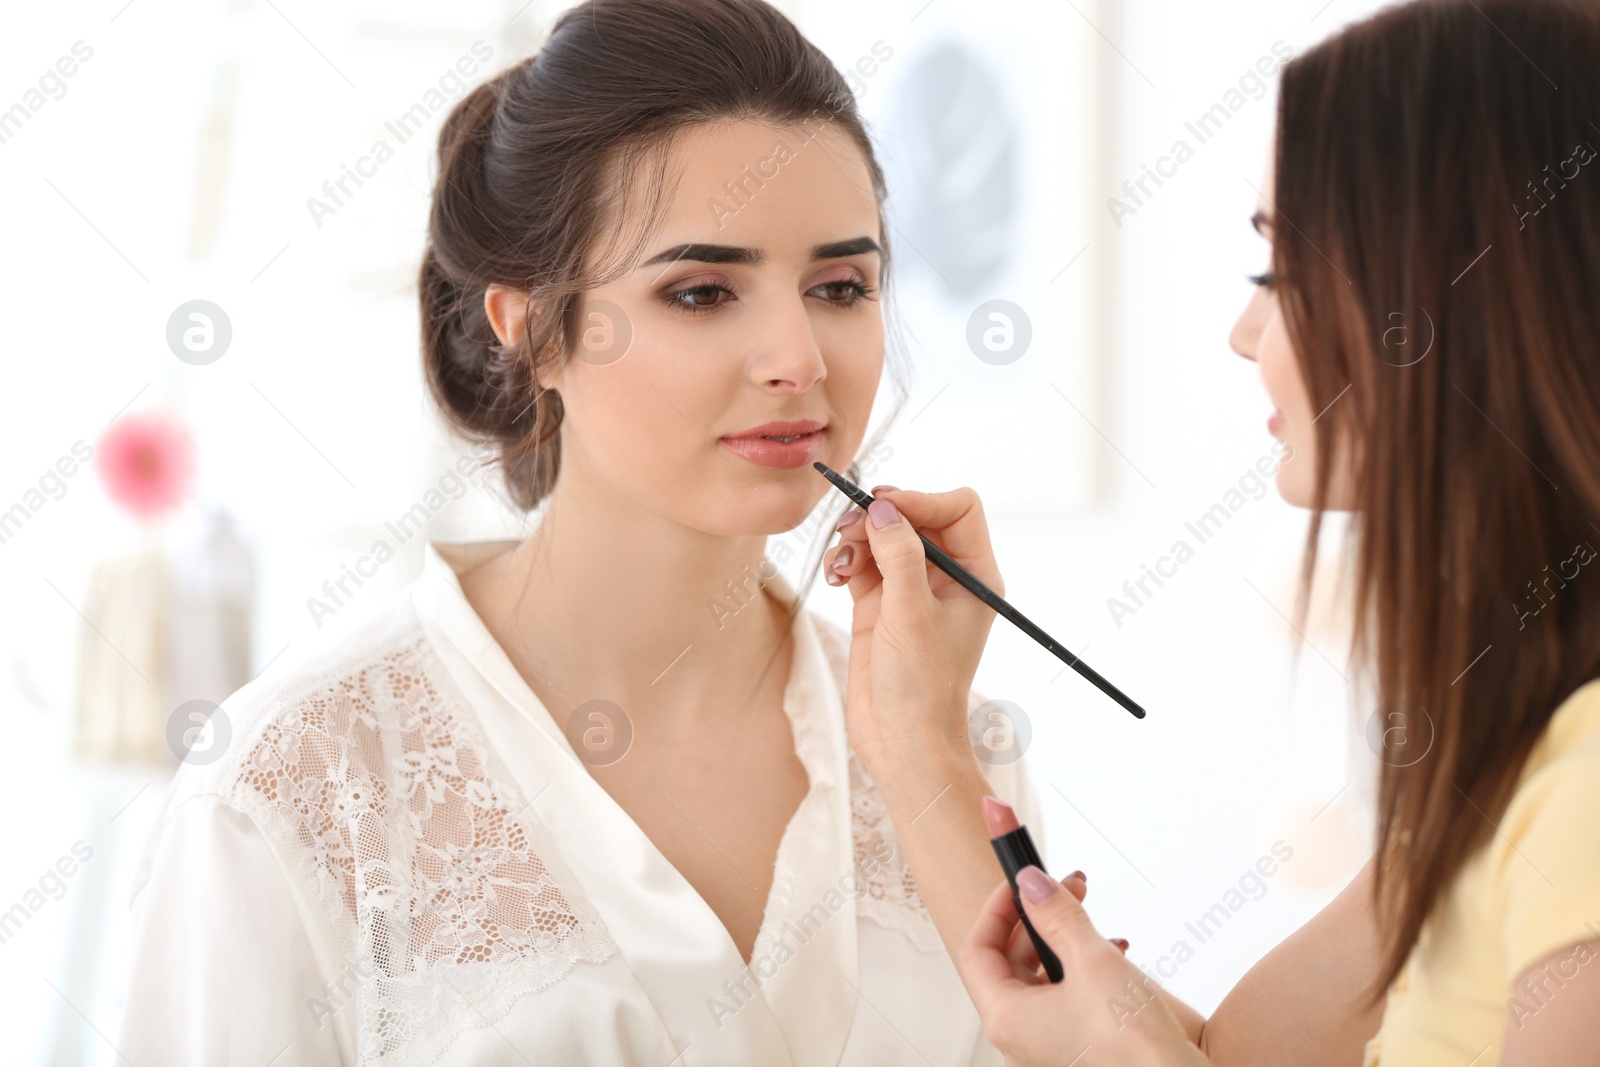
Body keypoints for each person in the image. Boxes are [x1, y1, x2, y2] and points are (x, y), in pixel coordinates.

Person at [114, 0, 1042, 1063]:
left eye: (840, 286)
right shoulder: (287, 790)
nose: (798, 355)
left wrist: (929, 758)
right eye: (701, 291)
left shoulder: (960, 750)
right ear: (531, 331)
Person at [824, 0, 1600, 1063]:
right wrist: (911, 737)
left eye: (1275, 275)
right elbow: (1229, 1056)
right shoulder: (1505, 753)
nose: (1243, 336)